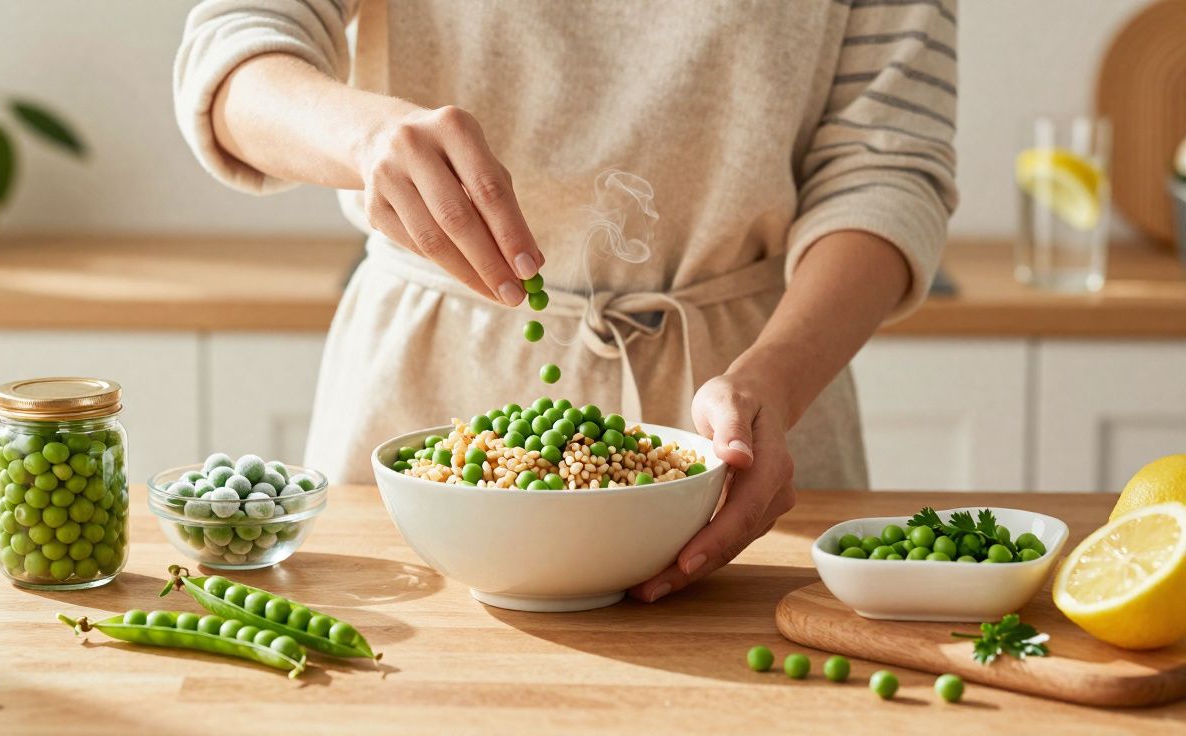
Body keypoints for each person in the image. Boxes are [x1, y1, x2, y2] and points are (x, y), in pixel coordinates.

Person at [174, 0, 958, 602]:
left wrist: (774, 382)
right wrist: (366, 138)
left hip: (755, 408)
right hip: (428, 379)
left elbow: (888, 169)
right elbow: (233, 54)